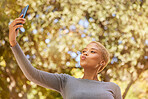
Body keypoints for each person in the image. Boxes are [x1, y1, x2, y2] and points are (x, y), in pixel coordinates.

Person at [9, 14, 122, 99]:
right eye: (84, 51)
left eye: (92, 51)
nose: (85, 53)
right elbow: (32, 75)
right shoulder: (66, 81)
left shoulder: (113, 88)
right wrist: (13, 43)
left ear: (102, 62)